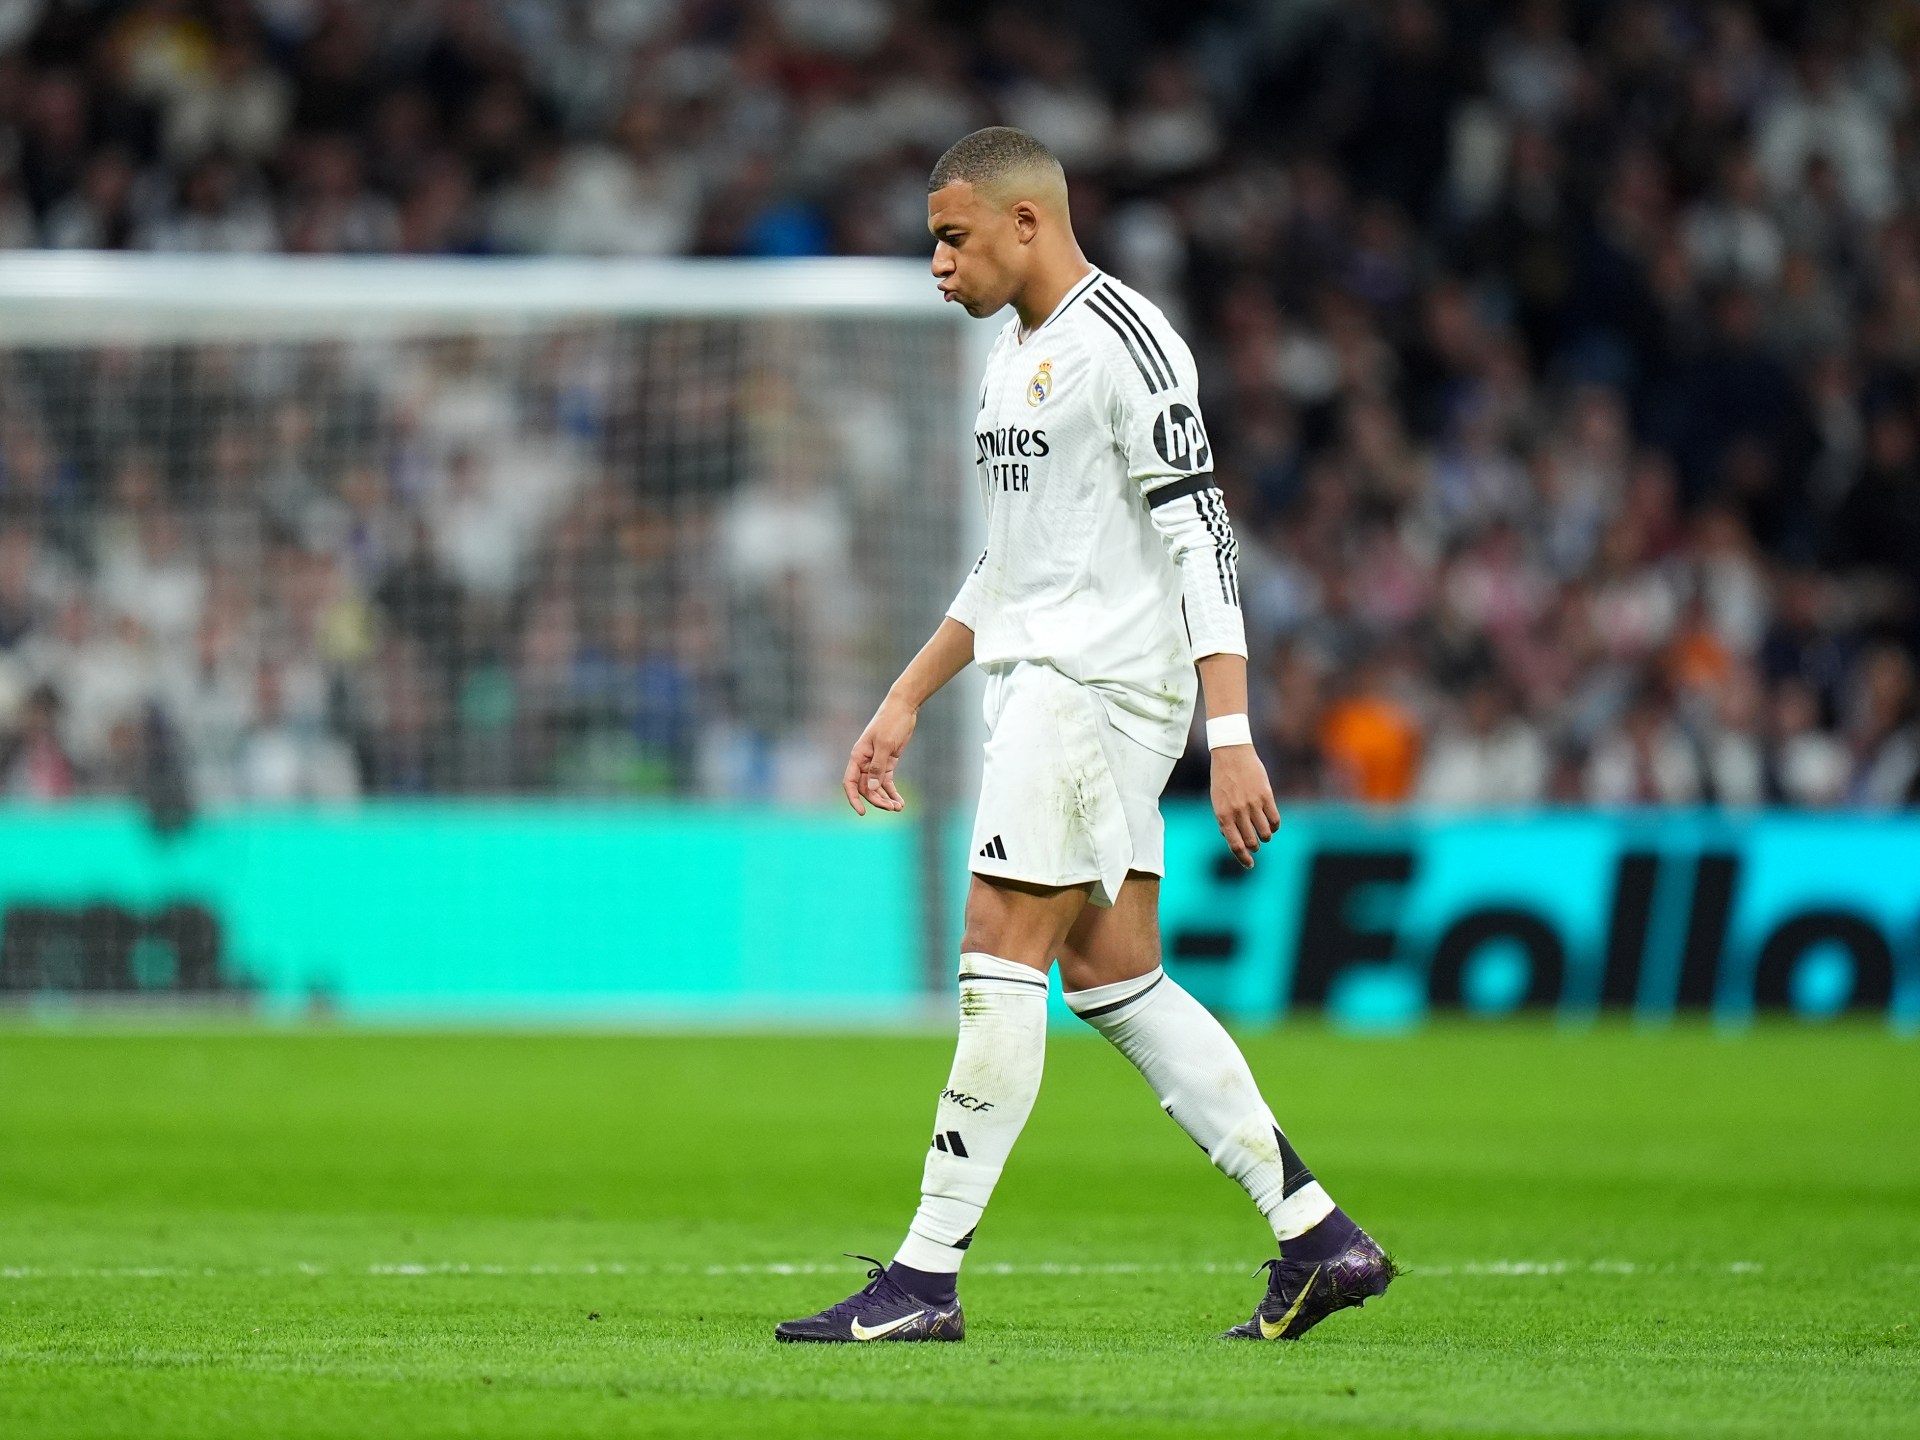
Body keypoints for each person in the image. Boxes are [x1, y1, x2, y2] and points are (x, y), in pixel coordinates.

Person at [775, 128, 1395, 1346]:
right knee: (1118, 980)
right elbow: (1008, 568)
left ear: (1027, 222)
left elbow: (1203, 537)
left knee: (995, 950)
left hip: (1091, 693)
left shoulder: (1128, 343)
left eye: (952, 239)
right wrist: (905, 698)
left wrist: (1232, 732)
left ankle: (925, 1278)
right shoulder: (1011, 359)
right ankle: (1319, 1237)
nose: (937, 265)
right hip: (1045, 686)